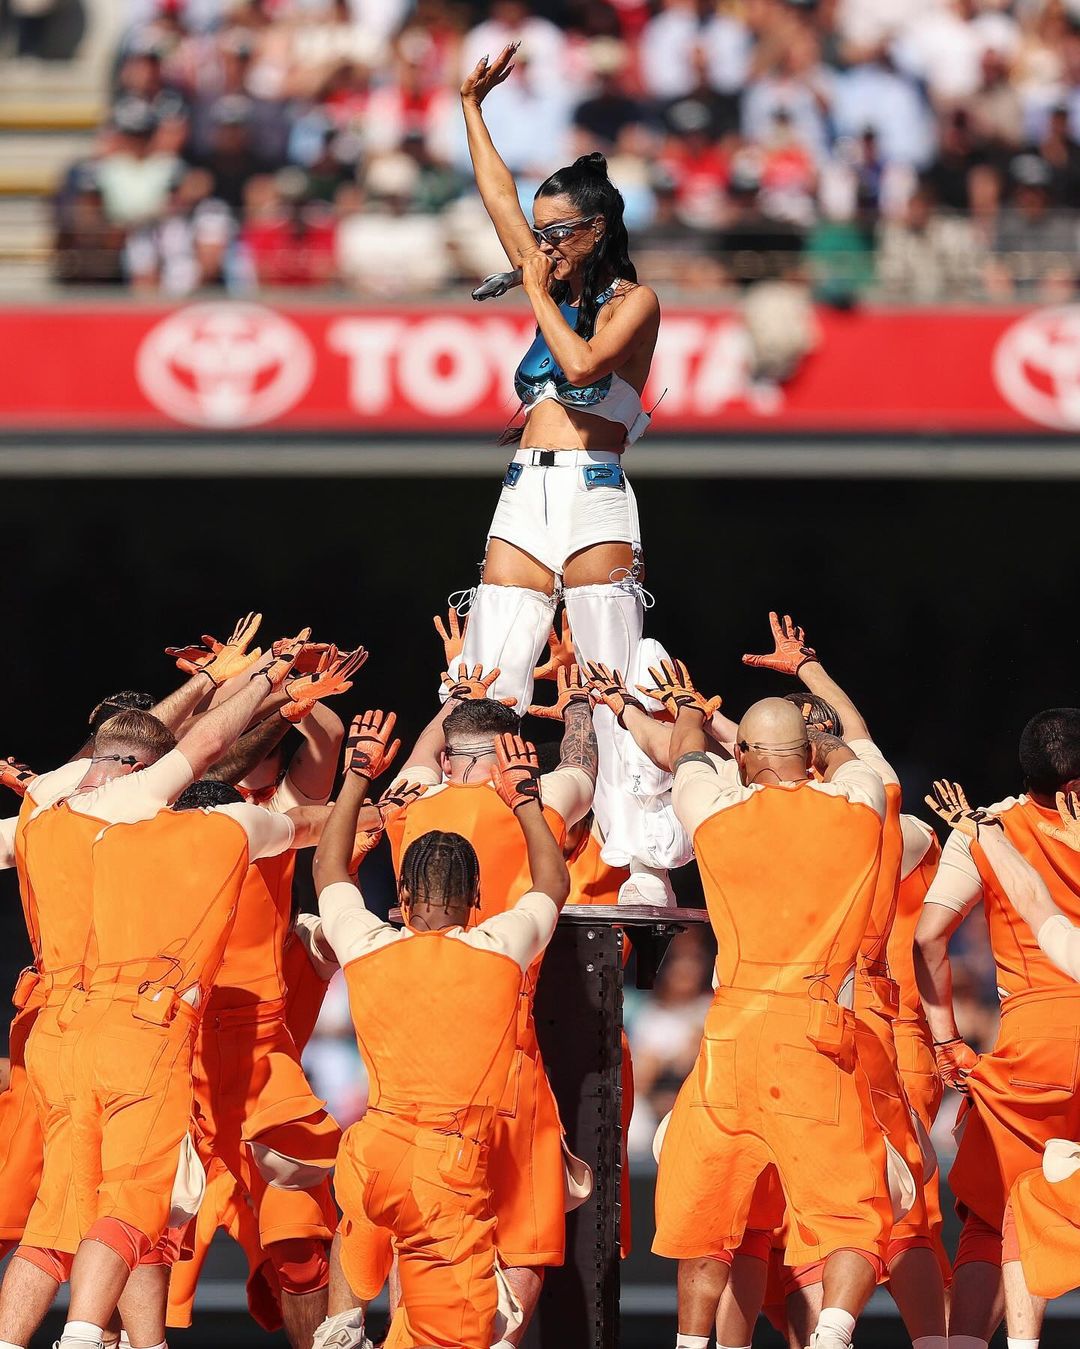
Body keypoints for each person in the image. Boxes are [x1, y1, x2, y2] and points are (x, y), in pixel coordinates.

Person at [0, 626, 303, 1349]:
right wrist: (270, 682)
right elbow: (217, 769)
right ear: (145, 769)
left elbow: (138, 754)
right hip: (142, 1033)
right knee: (133, 1205)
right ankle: (85, 1337)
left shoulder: (44, 812)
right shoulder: (202, 829)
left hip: (57, 1034)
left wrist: (210, 686)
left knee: (57, 1215)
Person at [453, 43, 684, 906]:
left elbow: (583, 364)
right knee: (489, 665)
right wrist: (470, 106)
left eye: (560, 232)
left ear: (598, 230)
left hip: (593, 488)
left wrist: (533, 282)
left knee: (609, 674)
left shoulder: (635, 301)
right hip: (526, 488)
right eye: (540, 232)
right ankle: (469, 827)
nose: (542, 242)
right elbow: (496, 195)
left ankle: (642, 858)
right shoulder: (549, 266)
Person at [638, 663, 889, 1349]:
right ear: (810, 755)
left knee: (706, 1206)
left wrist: (687, 707)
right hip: (818, 1032)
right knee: (851, 1210)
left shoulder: (718, 812)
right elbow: (856, 756)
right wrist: (819, 737)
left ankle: (692, 1342)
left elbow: (686, 749)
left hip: (735, 1039)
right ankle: (833, 1329)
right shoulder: (861, 805)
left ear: (743, 755)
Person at [312, 712, 571, 1349]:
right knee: (451, 1334)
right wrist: (527, 803)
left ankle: (346, 1313)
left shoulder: (366, 943)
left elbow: (329, 870)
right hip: (442, 1168)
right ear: (478, 891)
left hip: (371, 1157)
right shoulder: (500, 947)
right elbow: (552, 883)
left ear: (399, 893)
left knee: (376, 1214)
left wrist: (356, 777)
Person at [734, 614, 947, 1349]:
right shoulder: (885, 815)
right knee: (894, 1206)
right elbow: (854, 751)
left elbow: (758, 758)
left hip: (833, 1026)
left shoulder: (842, 816)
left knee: (820, 1207)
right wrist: (810, 679)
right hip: (876, 1026)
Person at [377, 665, 595, 1340]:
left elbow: (416, 760)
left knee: (415, 1222)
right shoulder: (536, 797)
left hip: (412, 1057)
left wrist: (458, 697)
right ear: (510, 757)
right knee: (527, 1227)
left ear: (449, 759)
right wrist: (581, 701)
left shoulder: (409, 802)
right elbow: (583, 765)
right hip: (507, 1051)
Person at [915, 708, 1080, 1349]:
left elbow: (929, 935)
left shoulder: (986, 828)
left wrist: (945, 1037)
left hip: (1033, 1045)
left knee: (997, 1209)